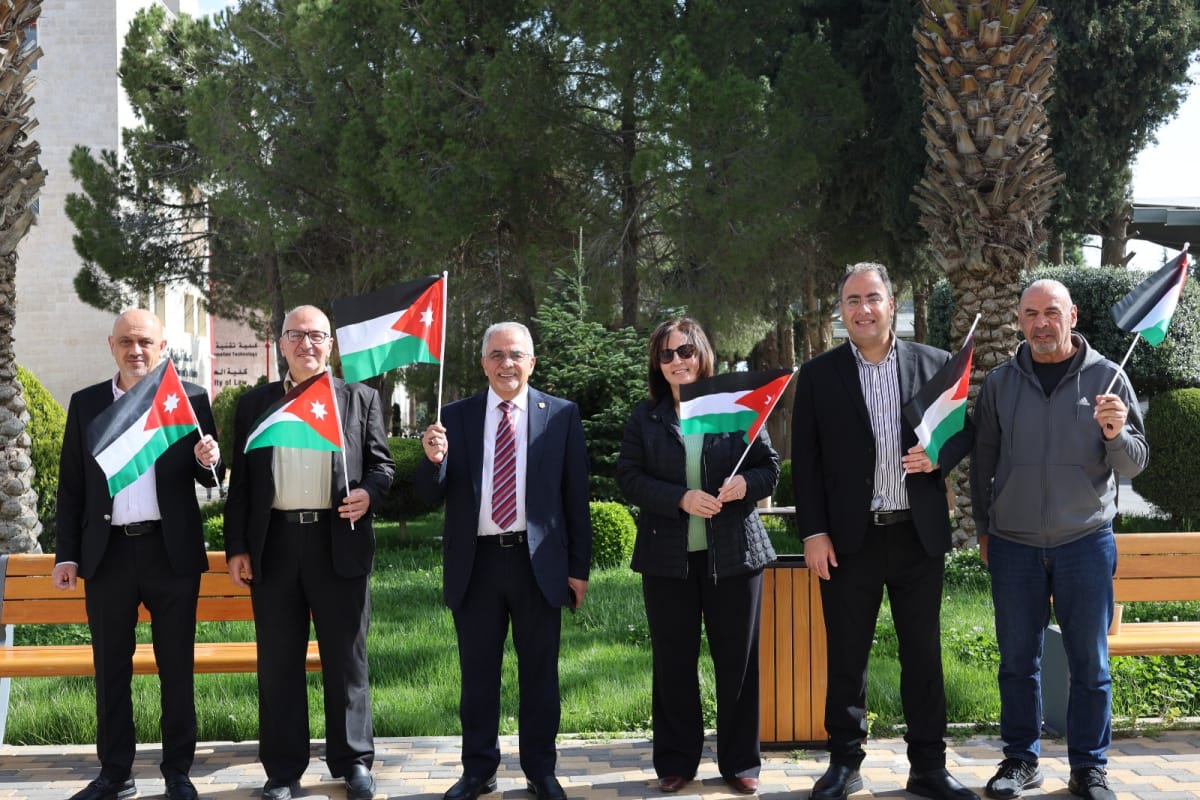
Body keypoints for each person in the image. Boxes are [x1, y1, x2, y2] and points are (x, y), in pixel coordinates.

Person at [790, 263, 977, 800]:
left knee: (923, 656)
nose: (863, 309)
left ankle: (929, 767)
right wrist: (813, 533)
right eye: (852, 300)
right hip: (850, 541)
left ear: (892, 304)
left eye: (872, 298)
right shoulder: (819, 375)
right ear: (841, 310)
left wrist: (938, 456)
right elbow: (806, 461)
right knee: (847, 658)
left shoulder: (935, 364)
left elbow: (965, 429)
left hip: (918, 536)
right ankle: (845, 763)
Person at [971, 280, 1147, 800]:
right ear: (1019, 320)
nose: (1041, 323)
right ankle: (1021, 761)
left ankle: (1089, 767)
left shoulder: (1108, 377)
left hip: (1085, 541)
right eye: (1031, 314)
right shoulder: (1000, 383)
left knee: (1090, 664)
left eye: (1052, 312)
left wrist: (1115, 434)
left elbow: (1135, 463)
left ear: (1072, 316)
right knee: (1016, 662)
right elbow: (982, 462)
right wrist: (983, 528)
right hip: (1013, 544)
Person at [415, 322, 592, 800]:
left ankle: (540, 770)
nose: (506, 364)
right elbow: (428, 495)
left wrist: (578, 569)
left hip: (539, 566)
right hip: (477, 565)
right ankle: (479, 770)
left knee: (540, 676)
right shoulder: (455, 417)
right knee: (477, 677)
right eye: (496, 355)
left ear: (531, 362)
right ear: (483, 364)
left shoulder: (561, 415)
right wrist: (433, 460)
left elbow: (575, 498)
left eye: (515, 355)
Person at [223, 305, 394, 800]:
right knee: (278, 663)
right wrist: (237, 547)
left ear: (330, 345)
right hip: (275, 544)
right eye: (296, 335)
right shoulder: (256, 404)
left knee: (346, 660)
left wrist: (369, 493)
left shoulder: (359, 399)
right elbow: (241, 485)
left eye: (316, 335)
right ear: (281, 344)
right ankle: (282, 770)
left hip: (338, 540)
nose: (307, 344)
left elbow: (382, 466)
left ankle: (353, 761)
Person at [54, 309, 223, 800]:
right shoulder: (87, 404)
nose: (136, 350)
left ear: (162, 347)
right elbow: (72, 486)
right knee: (111, 669)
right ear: (111, 346)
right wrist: (67, 555)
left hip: (170, 553)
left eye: (145, 342)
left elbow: (210, 476)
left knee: (176, 668)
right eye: (126, 341)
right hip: (107, 554)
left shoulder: (188, 399)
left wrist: (209, 459)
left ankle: (178, 773)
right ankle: (115, 774)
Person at [615, 318, 779, 796]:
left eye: (684, 351)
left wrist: (745, 484)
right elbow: (629, 477)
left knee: (738, 664)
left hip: (735, 556)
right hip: (668, 561)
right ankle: (676, 762)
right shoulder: (646, 417)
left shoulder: (736, 408)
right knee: (673, 664)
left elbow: (769, 468)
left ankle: (740, 763)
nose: (677, 361)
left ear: (702, 353)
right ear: (657, 364)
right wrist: (680, 498)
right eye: (666, 354)